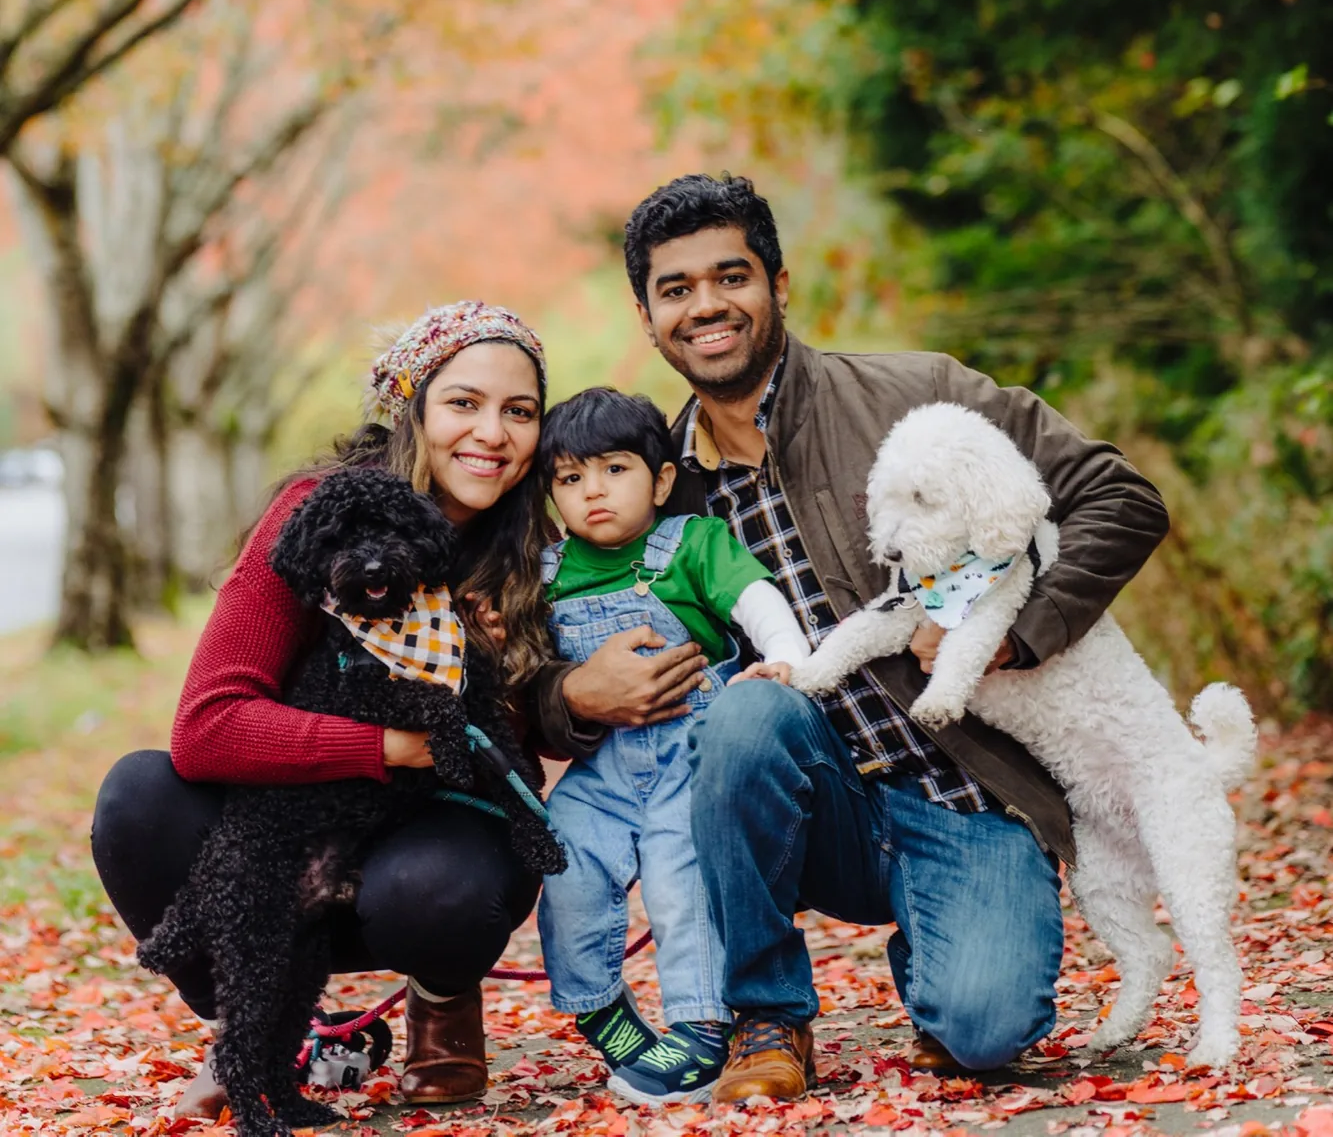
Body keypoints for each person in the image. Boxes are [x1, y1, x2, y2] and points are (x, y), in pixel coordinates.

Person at [620, 173, 1170, 1103]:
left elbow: (1119, 499)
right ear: (648, 318)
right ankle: (766, 1014)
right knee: (746, 716)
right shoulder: (659, 492)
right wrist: (569, 696)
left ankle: (943, 948)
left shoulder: (918, 398)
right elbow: (565, 629)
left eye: (730, 277)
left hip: (969, 793)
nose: (705, 305)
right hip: (816, 802)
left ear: (777, 284)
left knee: (985, 1030)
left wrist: (1012, 633)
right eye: (676, 289)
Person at [91, 300, 601, 1115]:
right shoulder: (313, 515)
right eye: (463, 403)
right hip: (296, 823)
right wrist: (388, 745)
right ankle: (259, 1026)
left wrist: (545, 687)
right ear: (412, 407)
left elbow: (533, 733)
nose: (493, 433)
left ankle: (442, 996)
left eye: (519, 411)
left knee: (435, 891)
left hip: (437, 833)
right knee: (138, 797)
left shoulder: (541, 545)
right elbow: (208, 726)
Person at [535, 387, 808, 1105]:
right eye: (570, 478)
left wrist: (785, 655)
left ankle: (700, 1025)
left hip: (690, 753)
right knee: (565, 860)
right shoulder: (546, 573)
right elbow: (525, 665)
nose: (593, 491)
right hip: (601, 767)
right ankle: (600, 1008)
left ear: (659, 480)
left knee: (679, 880)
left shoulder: (692, 543)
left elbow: (755, 599)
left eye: (614, 469)